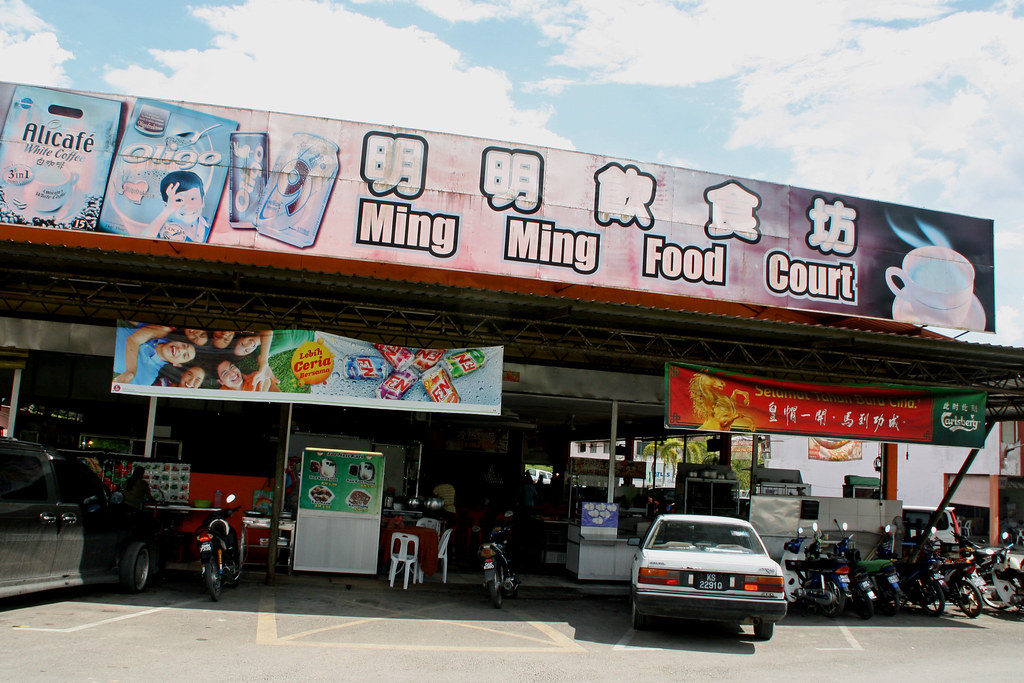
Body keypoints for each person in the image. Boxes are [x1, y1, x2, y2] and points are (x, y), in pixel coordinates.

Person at [113, 323, 196, 385]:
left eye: (184, 355)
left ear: (177, 364)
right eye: (184, 345)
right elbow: (133, 339)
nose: (180, 349)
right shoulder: (162, 331)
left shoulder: (147, 378)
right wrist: (131, 371)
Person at [147, 170, 210, 242]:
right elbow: (143, 243)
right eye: (179, 200)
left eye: (193, 198)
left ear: (203, 201)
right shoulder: (161, 231)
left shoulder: (212, 226)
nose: (188, 205)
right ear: (166, 205)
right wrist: (167, 212)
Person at [216, 359, 281, 392]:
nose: (232, 373)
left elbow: (267, 380)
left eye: (232, 367)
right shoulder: (223, 392)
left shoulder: (253, 378)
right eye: (225, 373)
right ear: (221, 382)